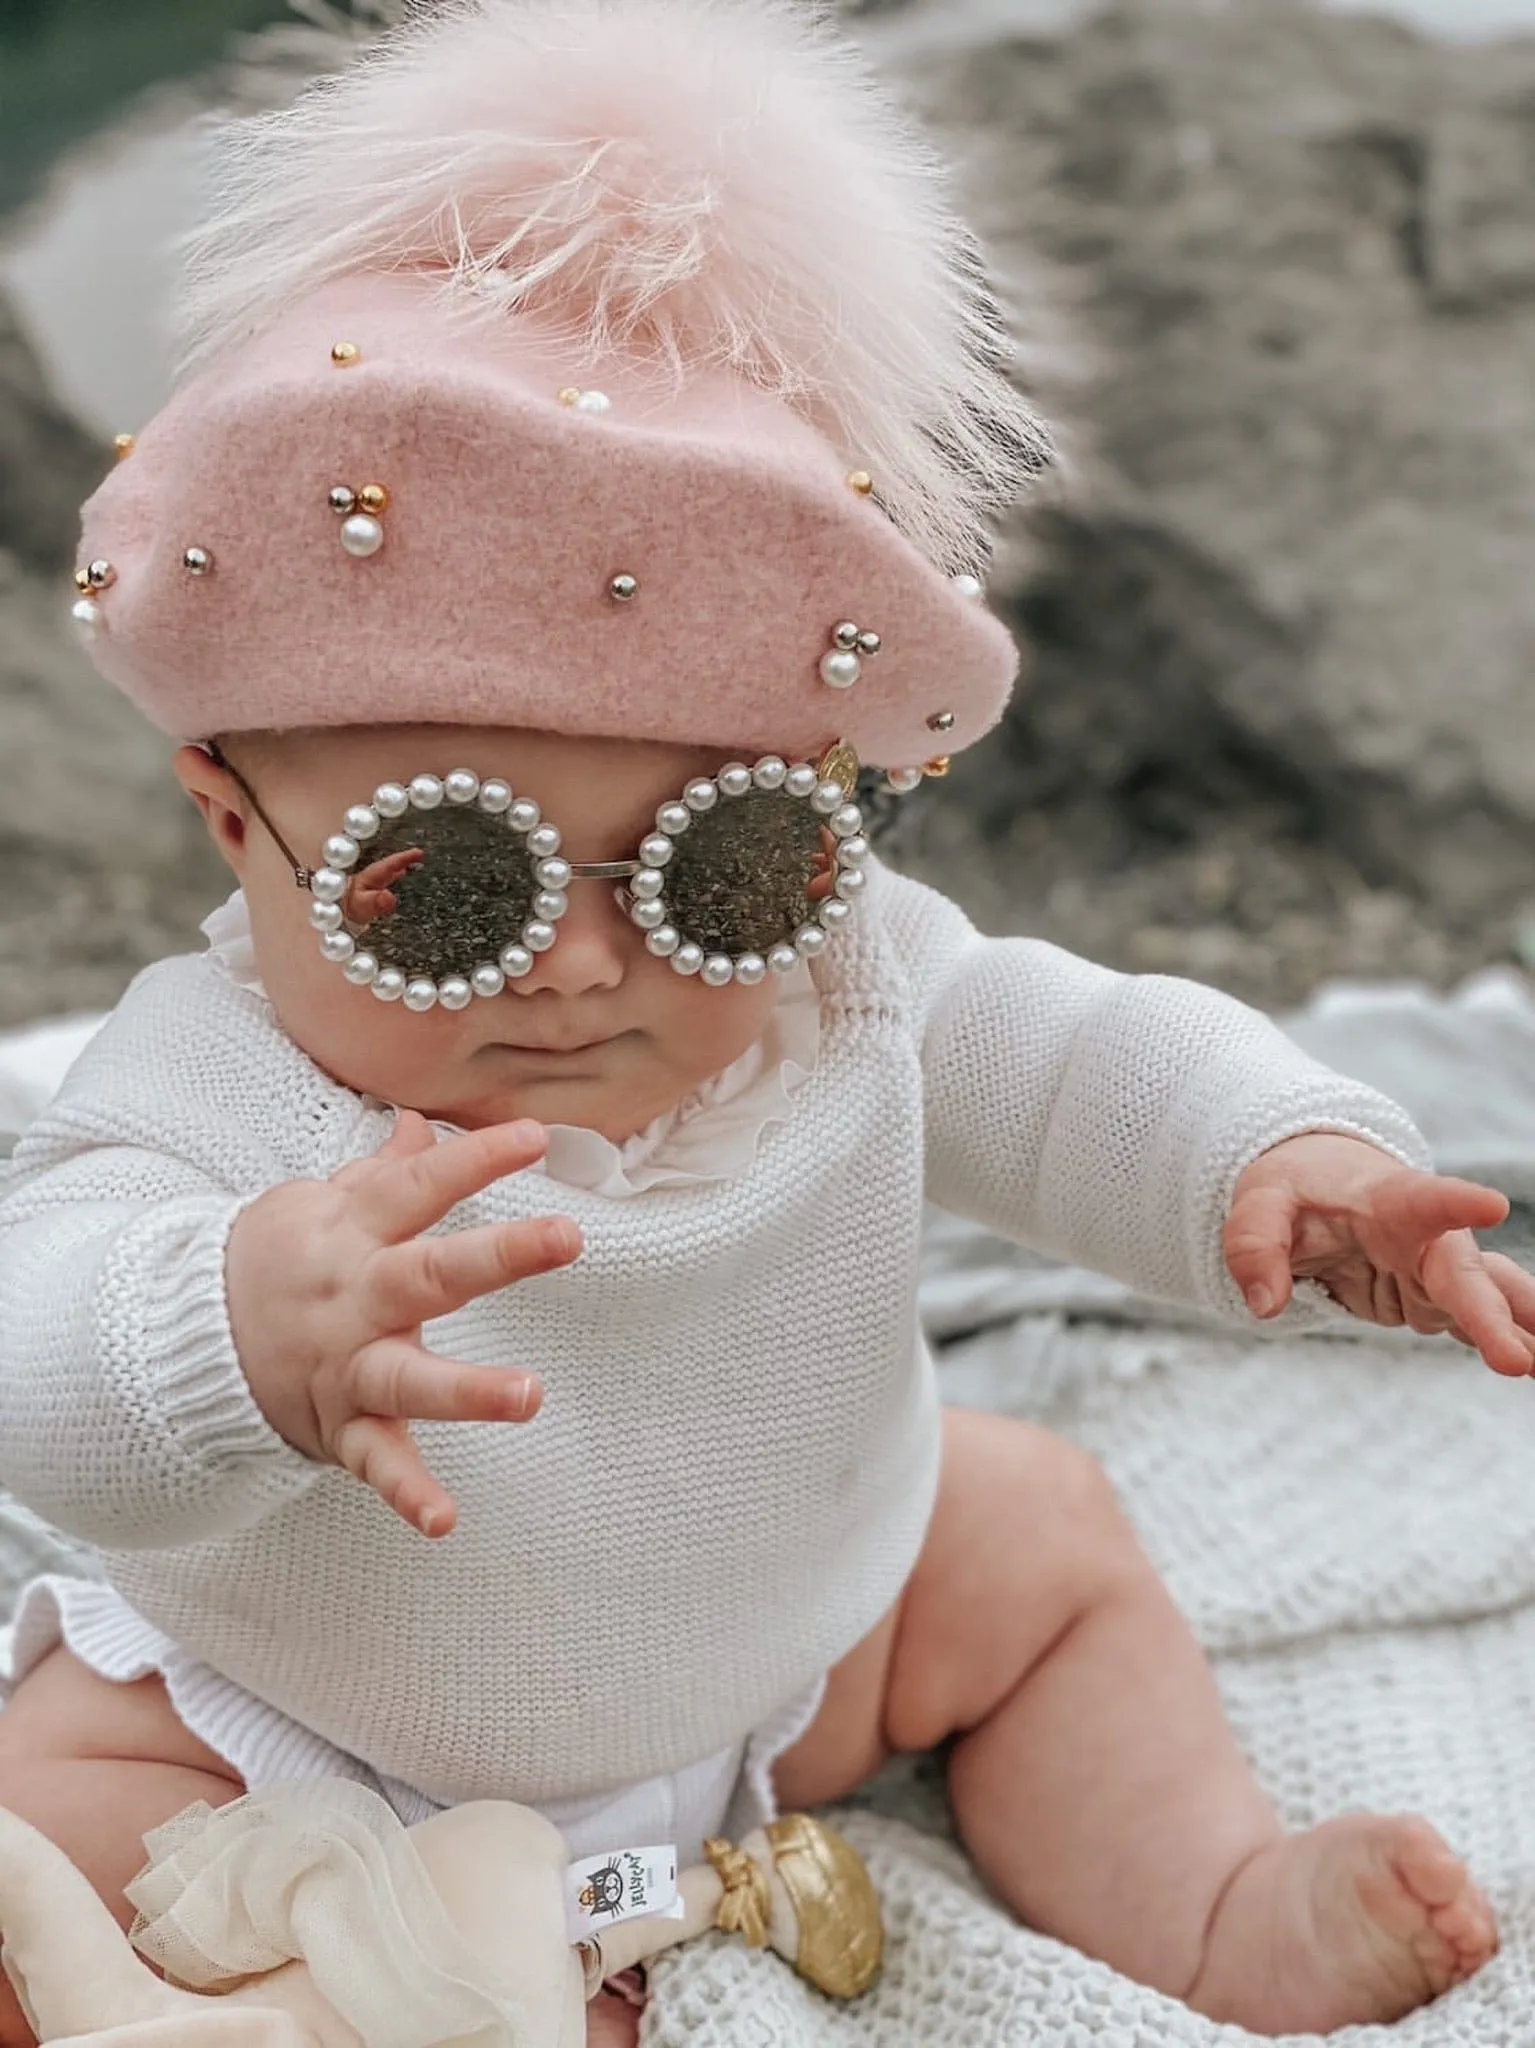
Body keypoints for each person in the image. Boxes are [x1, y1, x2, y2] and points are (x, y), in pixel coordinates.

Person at [1, 2, 1529, 2040]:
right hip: (308, 1723)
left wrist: (1280, 1156)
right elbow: (42, 1335)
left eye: (717, 862)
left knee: (1039, 1536)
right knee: (51, 1791)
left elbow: (1069, 1056)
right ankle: (388, 1976)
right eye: (444, 884)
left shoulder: (836, 987)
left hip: (791, 1657)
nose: (580, 960)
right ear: (232, 819)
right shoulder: (218, 1081)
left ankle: (1205, 1903)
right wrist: (224, 1329)